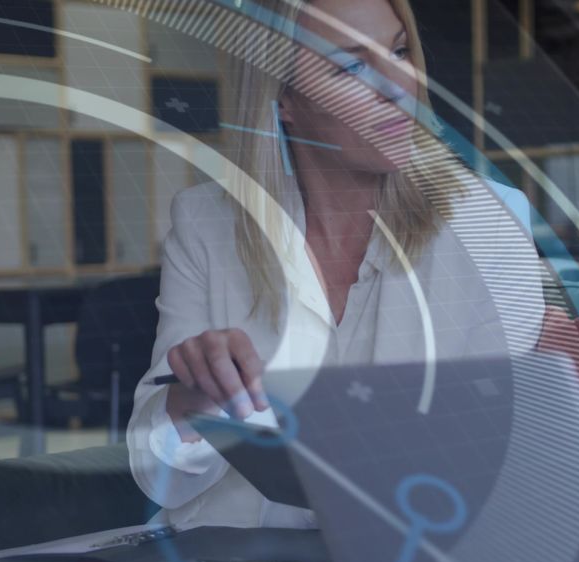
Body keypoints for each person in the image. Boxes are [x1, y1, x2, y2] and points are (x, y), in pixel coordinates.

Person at [127, 0, 546, 529]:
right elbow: (155, 473)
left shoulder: (485, 224)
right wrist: (197, 401)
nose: (399, 87)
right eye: (350, 67)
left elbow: (508, 461)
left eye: (399, 51)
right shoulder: (206, 224)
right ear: (283, 100)